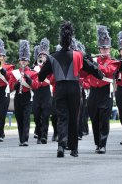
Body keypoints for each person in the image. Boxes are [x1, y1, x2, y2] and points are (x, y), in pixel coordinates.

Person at [38, 22, 103, 157]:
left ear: (60, 41)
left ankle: (61, 145)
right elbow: (91, 68)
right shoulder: (78, 55)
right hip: (74, 88)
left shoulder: (52, 56)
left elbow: (40, 77)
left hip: (60, 87)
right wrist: (99, 74)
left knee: (62, 117)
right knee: (74, 117)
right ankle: (74, 149)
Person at [87, 25, 121, 154]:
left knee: (104, 119)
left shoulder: (113, 62)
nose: (104, 50)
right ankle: (97, 143)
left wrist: (93, 64)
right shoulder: (94, 60)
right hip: (93, 92)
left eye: (106, 48)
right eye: (102, 48)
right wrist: (86, 62)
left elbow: (107, 71)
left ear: (110, 49)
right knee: (94, 119)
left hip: (105, 92)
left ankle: (103, 144)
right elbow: (84, 74)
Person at [9, 40, 39, 146]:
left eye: (25, 60)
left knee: (26, 118)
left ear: (28, 61)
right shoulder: (15, 73)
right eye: (22, 60)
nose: (23, 62)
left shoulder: (32, 73)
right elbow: (10, 87)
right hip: (18, 97)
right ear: (19, 61)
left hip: (27, 97)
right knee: (19, 119)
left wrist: (29, 80)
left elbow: (36, 86)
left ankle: (25, 139)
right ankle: (21, 139)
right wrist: (16, 85)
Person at [0, 39, 15, 142]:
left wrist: (3, 71)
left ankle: (0, 133)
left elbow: (10, 77)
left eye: (0, 56)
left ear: (4, 57)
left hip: (5, 90)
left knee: (1, 112)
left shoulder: (9, 67)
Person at [32, 38, 53, 144]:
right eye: (40, 56)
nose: (42, 58)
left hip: (46, 93)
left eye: (44, 56)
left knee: (45, 115)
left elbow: (51, 81)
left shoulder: (50, 67)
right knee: (36, 115)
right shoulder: (34, 67)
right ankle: (39, 134)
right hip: (37, 93)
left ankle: (44, 136)